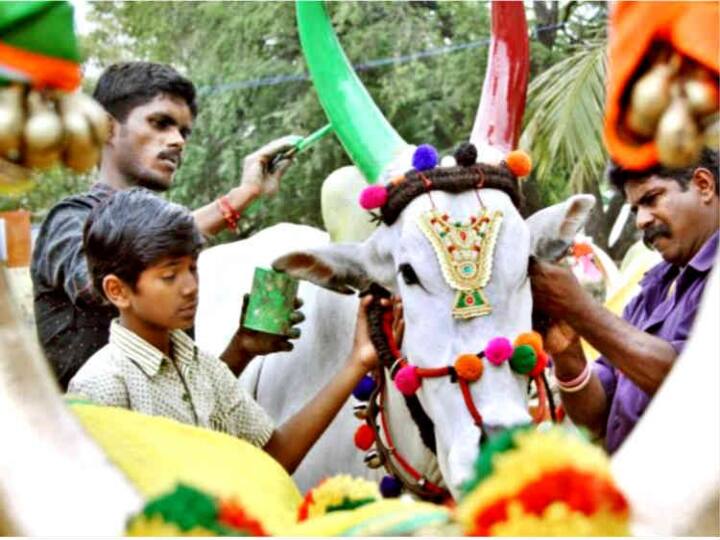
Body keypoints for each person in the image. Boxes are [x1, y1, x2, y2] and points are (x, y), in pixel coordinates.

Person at [67, 188, 382, 474]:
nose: (190, 287)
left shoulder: (202, 367)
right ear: (118, 291)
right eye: (169, 276)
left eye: (192, 268)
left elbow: (273, 459)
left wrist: (356, 363)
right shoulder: (102, 387)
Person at [31, 61, 300, 389]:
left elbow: (187, 408)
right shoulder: (70, 220)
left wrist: (243, 347)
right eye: (161, 123)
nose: (177, 141)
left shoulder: (173, 253)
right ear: (107, 129)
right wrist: (239, 198)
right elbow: (99, 279)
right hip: (87, 439)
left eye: (184, 131)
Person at [530, 148, 719, 454]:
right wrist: (568, 354)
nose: (642, 220)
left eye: (651, 199)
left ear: (703, 185)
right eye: (634, 210)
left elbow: (692, 385)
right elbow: (597, 421)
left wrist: (580, 310)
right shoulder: (654, 288)